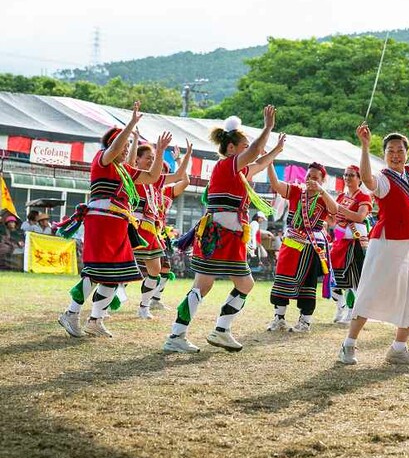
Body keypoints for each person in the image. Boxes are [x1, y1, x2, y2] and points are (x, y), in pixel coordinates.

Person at [163, 108, 284, 353]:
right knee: (232, 285)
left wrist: (276, 150)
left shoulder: (235, 170)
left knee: (212, 286)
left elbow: (259, 162)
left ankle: (194, 332)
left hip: (224, 235)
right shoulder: (227, 165)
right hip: (220, 236)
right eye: (244, 145)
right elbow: (254, 155)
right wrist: (267, 127)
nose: (250, 149)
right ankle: (215, 330)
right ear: (231, 148)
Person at [336, 103, 409, 366]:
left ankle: (398, 347)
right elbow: (366, 179)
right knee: (371, 290)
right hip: (386, 243)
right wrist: (363, 146)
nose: (395, 154)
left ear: (407, 154)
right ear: (383, 155)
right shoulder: (382, 178)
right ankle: (348, 345)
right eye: (390, 151)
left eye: (400, 150)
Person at [57, 102, 172, 339]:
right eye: (125, 145)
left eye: (129, 145)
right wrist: (130, 125)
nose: (127, 149)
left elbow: (152, 176)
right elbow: (117, 145)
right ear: (114, 144)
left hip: (119, 224)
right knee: (96, 272)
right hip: (102, 221)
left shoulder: (124, 171)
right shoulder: (103, 159)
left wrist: (160, 152)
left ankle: (95, 320)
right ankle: (71, 312)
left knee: (116, 275)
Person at [266, 161, 338, 333]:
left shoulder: (323, 198)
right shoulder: (296, 191)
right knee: (282, 278)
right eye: (309, 176)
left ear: (322, 180)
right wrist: (269, 161)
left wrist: (321, 190)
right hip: (291, 243)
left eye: (315, 178)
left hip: (312, 246)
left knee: (308, 283)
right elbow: (276, 184)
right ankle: (279, 318)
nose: (311, 180)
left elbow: (334, 212)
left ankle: (305, 322)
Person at [132, 140, 192, 320]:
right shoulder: (135, 177)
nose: (161, 172)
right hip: (132, 227)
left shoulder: (164, 189)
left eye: (164, 170)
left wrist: (182, 157)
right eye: (150, 160)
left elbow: (184, 179)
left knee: (159, 269)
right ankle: (100, 305)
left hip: (155, 231)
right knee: (118, 269)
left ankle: (147, 304)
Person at [329, 164, 373, 325]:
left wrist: (339, 209)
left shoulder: (364, 197)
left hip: (355, 242)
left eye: (352, 175)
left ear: (360, 178)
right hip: (339, 241)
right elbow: (334, 219)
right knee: (337, 279)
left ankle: (352, 311)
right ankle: (341, 306)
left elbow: (360, 217)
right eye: (346, 175)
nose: (347, 178)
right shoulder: (341, 196)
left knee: (354, 279)